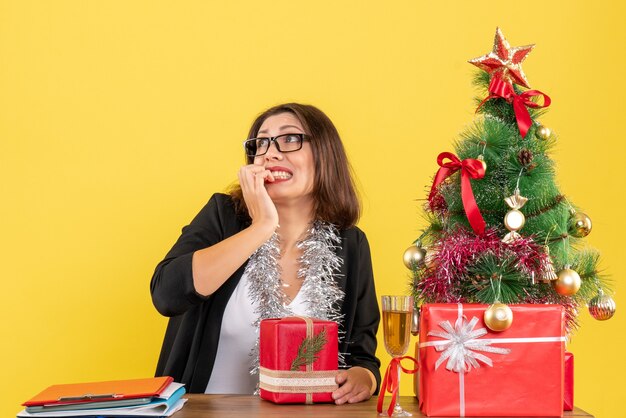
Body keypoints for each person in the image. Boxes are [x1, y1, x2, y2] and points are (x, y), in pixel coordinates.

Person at [150, 103, 380, 404]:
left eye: (289, 139)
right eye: (261, 143)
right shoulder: (223, 216)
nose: (270, 153)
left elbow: (363, 355)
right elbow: (166, 294)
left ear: (325, 154)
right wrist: (262, 226)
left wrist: (365, 378)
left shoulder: (350, 244)